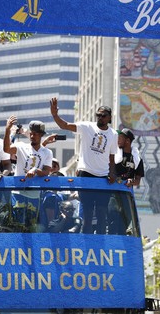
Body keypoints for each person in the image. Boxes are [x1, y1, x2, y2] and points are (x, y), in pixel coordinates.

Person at [50, 98, 117, 233]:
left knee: (101, 214)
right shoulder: (87, 127)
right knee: (87, 213)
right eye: (98, 115)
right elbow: (65, 125)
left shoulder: (113, 134)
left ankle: (100, 246)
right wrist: (55, 115)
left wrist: (112, 173)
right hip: (86, 174)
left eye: (103, 116)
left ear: (109, 118)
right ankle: (87, 245)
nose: (100, 118)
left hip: (102, 177)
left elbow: (112, 157)